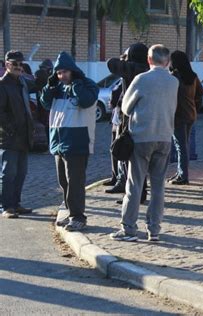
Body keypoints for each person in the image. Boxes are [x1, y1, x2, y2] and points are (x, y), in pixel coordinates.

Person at [110, 44, 179, 242]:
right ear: (167, 61)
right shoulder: (173, 82)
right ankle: (154, 229)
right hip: (165, 137)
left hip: (141, 137)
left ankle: (129, 228)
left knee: (135, 184)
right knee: (158, 187)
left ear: (149, 59)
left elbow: (125, 107)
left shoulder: (142, 79)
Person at [40, 51, 99, 231]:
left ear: (73, 70)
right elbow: (45, 103)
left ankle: (78, 216)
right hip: (58, 141)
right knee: (63, 182)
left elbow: (86, 101)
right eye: (58, 73)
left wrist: (76, 85)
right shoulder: (56, 87)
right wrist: (49, 88)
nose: (61, 76)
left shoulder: (87, 85)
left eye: (65, 72)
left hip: (78, 141)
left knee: (75, 182)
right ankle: (70, 212)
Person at [106, 43, 149, 197]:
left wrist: (124, 59)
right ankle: (138, 191)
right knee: (140, 160)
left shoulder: (133, 69)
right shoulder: (149, 70)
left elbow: (111, 63)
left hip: (130, 118)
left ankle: (134, 194)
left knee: (128, 156)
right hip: (146, 118)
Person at [0, 50, 36, 218]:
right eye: (15, 64)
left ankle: (16, 203)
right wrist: (11, 129)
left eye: (21, 64)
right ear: (7, 65)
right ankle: (6, 207)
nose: (19, 67)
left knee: (21, 173)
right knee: (8, 174)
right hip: (9, 138)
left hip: (24, 136)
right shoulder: (2, 84)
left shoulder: (22, 82)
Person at [167, 50, 203, 185]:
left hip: (178, 116)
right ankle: (180, 172)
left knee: (180, 146)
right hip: (190, 115)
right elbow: (201, 92)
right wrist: (194, 105)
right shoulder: (193, 77)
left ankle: (183, 176)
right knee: (184, 145)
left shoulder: (174, 78)